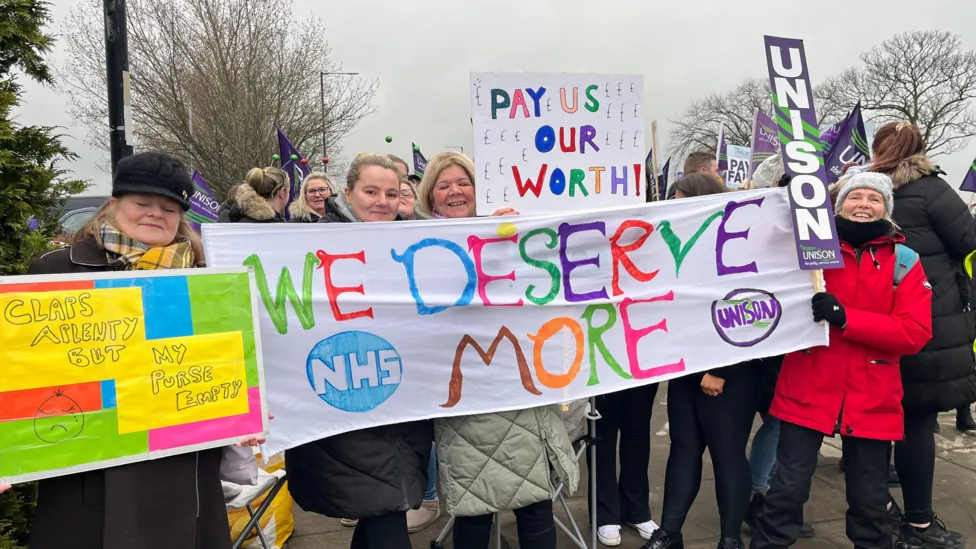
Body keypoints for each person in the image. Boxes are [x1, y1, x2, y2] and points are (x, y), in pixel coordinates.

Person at [21, 151, 265, 549]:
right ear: (114, 204)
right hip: (91, 474)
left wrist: (244, 406)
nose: (156, 214)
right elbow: (26, 368)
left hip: (186, 473)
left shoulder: (209, 279)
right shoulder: (55, 270)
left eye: (169, 208)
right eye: (143, 203)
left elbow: (224, 365)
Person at [750, 171, 933, 549]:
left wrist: (847, 318)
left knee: (869, 502)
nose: (864, 204)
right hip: (807, 387)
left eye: (874, 198)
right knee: (785, 493)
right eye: (855, 197)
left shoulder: (905, 261)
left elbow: (914, 332)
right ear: (839, 203)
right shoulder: (807, 252)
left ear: (887, 208)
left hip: (871, 397)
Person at [416, 151, 579, 549]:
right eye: (443, 184)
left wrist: (514, 233)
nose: (455, 191)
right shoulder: (419, 247)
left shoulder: (508, 231)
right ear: (430, 197)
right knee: (474, 507)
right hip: (464, 401)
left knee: (536, 502)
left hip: (517, 391)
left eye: (463, 182)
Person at [285, 153, 433, 549]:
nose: (382, 201)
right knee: (385, 510)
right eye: (371, 191)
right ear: (347, 193)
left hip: (403, 405)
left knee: (382, 511)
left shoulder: (413, 246)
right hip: (347, 409)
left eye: (392, 192)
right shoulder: (308, 247)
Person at [868, 121, 976, 548]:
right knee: (917, 420)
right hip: (925, 323)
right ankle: (918, 524)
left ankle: (877, 507)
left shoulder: (858, 192)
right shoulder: (932, 190)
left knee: (873, 418)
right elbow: (967, 240)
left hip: (870, 321)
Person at [643, 174, 751, 549]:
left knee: (727, 454)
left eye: (681, 198)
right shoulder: (679, 242)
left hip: (727, 371)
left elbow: (748, 308)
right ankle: (670, 533)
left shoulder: (735, 243)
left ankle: (730, 539)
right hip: (686, 366)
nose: (675, 204)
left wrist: (722, 369)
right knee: (683, 449)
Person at [742, 155, 816, 540]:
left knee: (778, 422)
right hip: (748, 345)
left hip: (791, 342)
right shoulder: (748, 223)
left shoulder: (818, 228)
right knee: (743, 430)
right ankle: (747, 494)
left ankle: (760, 494)